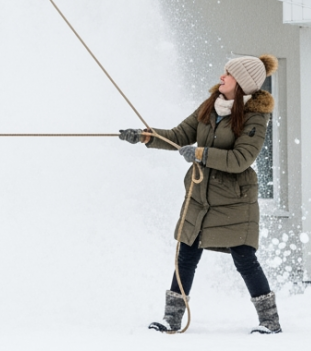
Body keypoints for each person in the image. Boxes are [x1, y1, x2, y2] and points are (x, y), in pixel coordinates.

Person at [119, 54, 282, 335]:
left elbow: (241, 158)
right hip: (200, 196)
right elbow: (177, 135)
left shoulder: (255, 117)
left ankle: (270, 321)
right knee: (186, 253)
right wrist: (145, 136)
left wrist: (201, 154)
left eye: (228, 74)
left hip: (234, 200)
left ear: (242, 83)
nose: (222, 77)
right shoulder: (210, 107)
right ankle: (172, 319)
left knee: (244, 258)